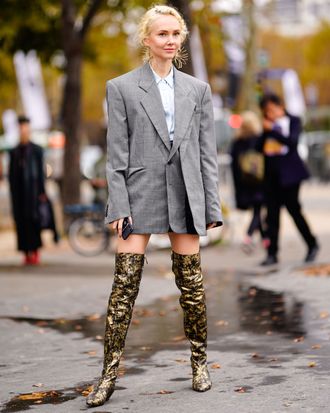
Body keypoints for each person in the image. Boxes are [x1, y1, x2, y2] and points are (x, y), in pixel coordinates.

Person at [86, 5, 222, 408]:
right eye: (161, 34)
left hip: (186, 192)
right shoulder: (122, 87)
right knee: (123, 288)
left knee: (192, 288)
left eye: (175, 34)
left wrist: (211, 205)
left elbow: (206, 153)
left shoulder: (198, 90)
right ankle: (108, 374)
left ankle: (200, 363)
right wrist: (118, 206)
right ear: (147, 40)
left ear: (181, 40)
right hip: (139, 194)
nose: (169, 40)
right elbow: (116, 156)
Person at [257, 94, 319, 266]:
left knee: (294, 210)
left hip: (291, 176)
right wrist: (265, 132)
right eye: (266, 111)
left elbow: (292, 142)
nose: (270, 114)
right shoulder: (266, 126)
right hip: (271, 177)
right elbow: (258, 147)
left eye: (272, 109)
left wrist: (274, 131)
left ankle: (312, 244)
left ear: (280, 106)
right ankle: (272, 253)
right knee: (272, 216)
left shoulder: (293, 120)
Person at [8, 115, 46, 265]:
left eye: (25, 127)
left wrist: (42, 192)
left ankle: (35, 251)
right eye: (21, 127)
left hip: (33, 193)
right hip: (19, 194)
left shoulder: (36, 150)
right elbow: (11, 174)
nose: (23, 130)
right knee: (21, 221)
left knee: (33, 221)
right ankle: (25, 252)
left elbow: (41, 174)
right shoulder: (14, 151)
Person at [230, 111, 269, 253]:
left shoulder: (236, 143)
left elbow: (234, 167)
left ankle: (265, 240)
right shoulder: (258, 140)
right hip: (259, 182)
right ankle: (248, 236)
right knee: (258, 211)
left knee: (256, 211)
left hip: (244, 184)